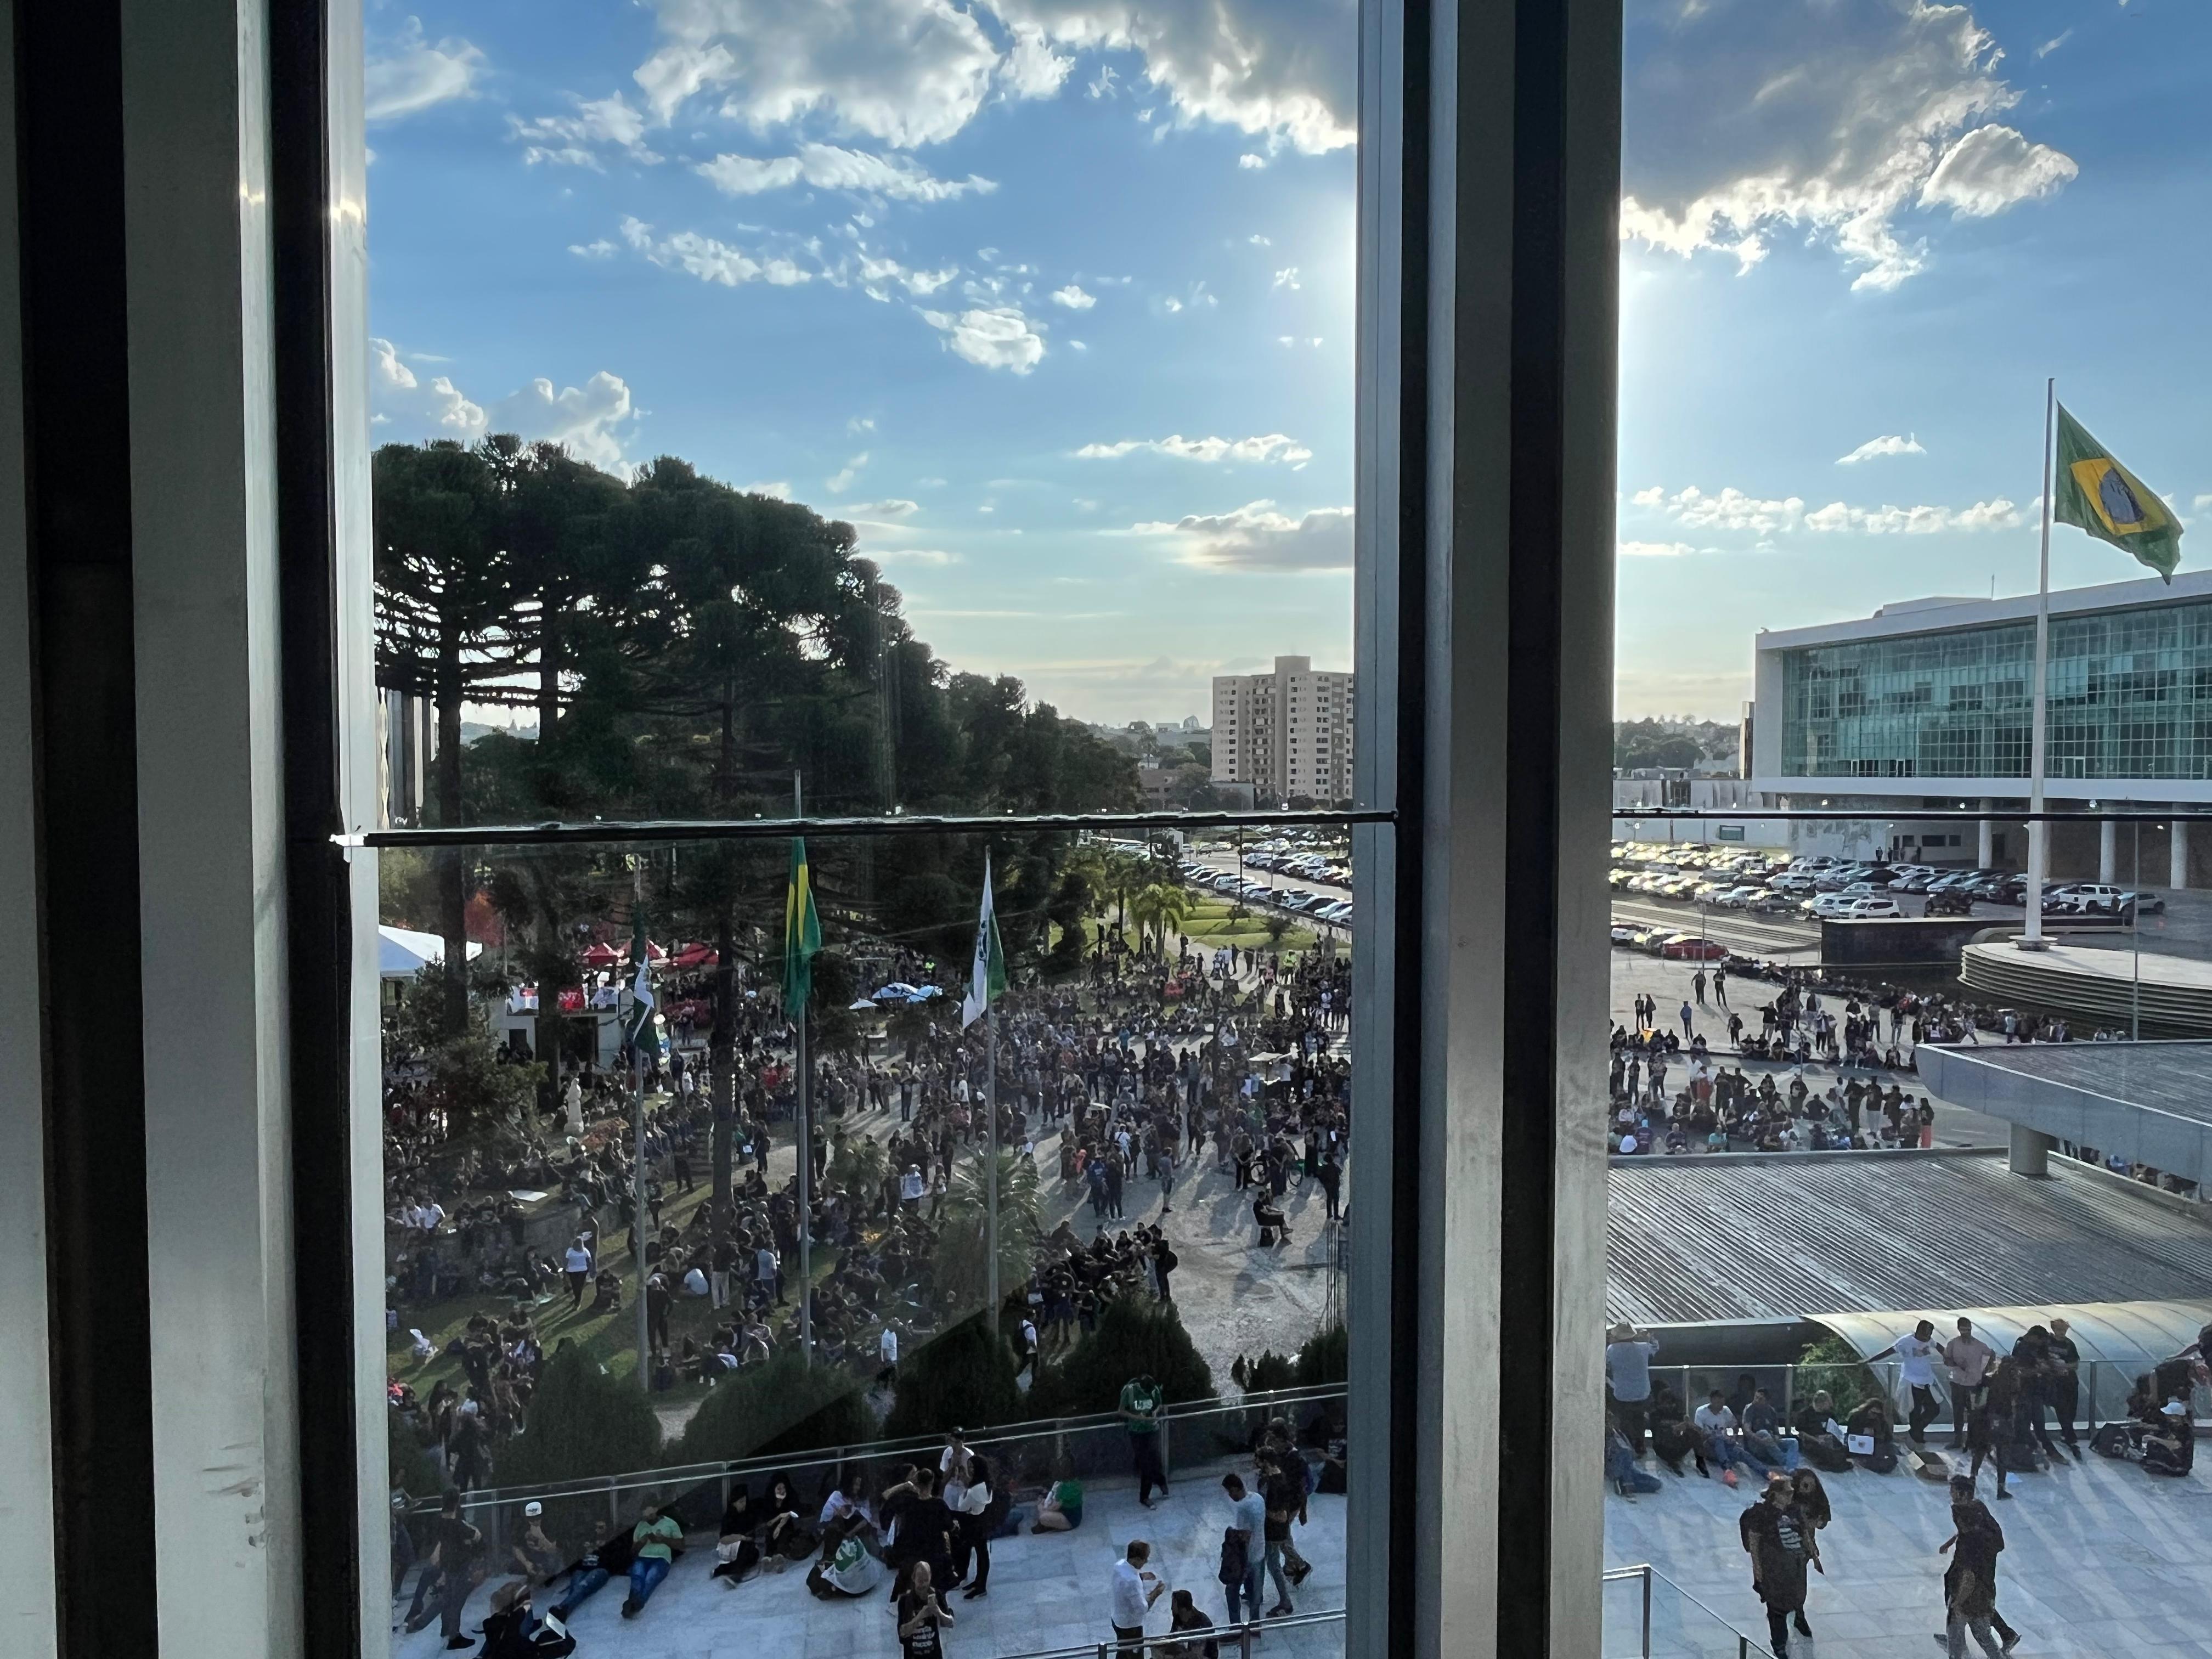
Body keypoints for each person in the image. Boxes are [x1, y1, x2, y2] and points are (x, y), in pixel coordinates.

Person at [1739, 1472, 1819, 1658]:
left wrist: (1813, 1554)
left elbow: (1804, 1532)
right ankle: (1779, 1645)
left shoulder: (1794, 1510)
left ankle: (1799, 1618)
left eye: (1791, 1493)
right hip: (1774, 1568)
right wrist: (1758, 1573)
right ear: (1775, 1494)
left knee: (1798, 1596)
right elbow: (1755, 1544)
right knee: (1777, 1609)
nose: (1790, 1496)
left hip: (1795, 1564)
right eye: (1786, 1493)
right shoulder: (1761, 1514)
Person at [403, 1489, 483, 1649]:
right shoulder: (458, 1525)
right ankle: (454, 1637)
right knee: (456, 1601)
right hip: (459, 1565)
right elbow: (476, 1536)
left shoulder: (439, 1521)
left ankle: (445, 1630)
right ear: (457, 1503)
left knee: (448, 1598)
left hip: (448, 1564)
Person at [1939, 1477, 2010, 1657]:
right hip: (1984, 1589)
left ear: (1963, 1494)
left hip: (1972, 1593)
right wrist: (1950, 1543)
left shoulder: (1971, 1540)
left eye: (1954, 1491)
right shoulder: (1976, 1511)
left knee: (1959, 1627)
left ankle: (1960, 1653)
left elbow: (1969, 1575)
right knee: (1982, 1633)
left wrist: (1958, 1601)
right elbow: (1967, 1532)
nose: (1951, 1494)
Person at [1869, 1319, 1944, 1444]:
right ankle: (1917, 1437)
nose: (1927, 1338)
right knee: (1915, 1409)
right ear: (1919, 1331)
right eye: (1926, 1334)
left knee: (1934, 1409)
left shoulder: (1929, 1341)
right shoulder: (1906, 1342)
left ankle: (1915, 1431)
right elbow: (1889, 1351)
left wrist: (1950, 1357)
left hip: (1926, 1381)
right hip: (1912, 1381)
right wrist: (1870, 1360)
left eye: (1930, 1335)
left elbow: (1939, 1347)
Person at [546, 1521, 634, 1623]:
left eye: (601, 1527)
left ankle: (561, 1608)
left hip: (600, 1570)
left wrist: (601, 1550)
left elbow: (617, 1561)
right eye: (596, 1527)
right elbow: (574, 1558)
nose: (598, 1530)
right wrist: (584, 1550)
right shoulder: (588, 1540)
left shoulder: (612, 1541)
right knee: (576, 1588)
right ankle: (563, 1612)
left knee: (583, 1585)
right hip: (583, 1568)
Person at [620, 1501, 683, 1618]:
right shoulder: (641, 1525)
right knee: (637, 1578)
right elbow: (633, 1552)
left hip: (661, 1559)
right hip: (642, 1558)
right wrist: (640, 1543)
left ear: (656, 1509)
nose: (648, 1518)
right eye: (646, 1516)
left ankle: (636, 1605)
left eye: (651, 1514)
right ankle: (632, 1602)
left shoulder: (670, 1523)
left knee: (651, 1578)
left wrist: (663, 1540)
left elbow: (681, 1546)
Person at [1941, 1317, 1996, 1452]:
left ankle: (1973, 1441)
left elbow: (1992, 1354)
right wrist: (1956, 1364)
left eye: (1968, 1329)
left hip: (1973, 1383)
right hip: (1958, 1382)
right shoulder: (1953, 1343)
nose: (1966, 1332)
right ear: (1959, 1329)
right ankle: (1958, 1440)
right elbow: (1946, 1360)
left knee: (1975, 1414)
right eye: (1963, 1329)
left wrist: (1986, 1370)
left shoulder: (1979, 1345)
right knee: (1958, 1413)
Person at [1605, 1323, 1659, 1457]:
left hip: (1621, 1393)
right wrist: (1650, 1337)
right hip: (1642, 1392)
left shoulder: (1612, 1349)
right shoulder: (1644, 1347)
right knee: (1639, 1418)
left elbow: (1607, 1366)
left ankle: (1628, 1445)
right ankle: (1640, 1445)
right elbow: (1655, 1348)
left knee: (1625, 1419)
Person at [1219, 1472, 1266, 1623]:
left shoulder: (1243, 1508)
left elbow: (1245, 1536)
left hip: (1247, 1557)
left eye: (1229, 1492)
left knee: (1232, 1592)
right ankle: (1255, 1624)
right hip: (1260, 1551)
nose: (1230, 1496)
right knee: (1255, 1590)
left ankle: (1235, 1627)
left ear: (1235, 1489)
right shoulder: (1258, 1498)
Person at [1111, 1539, 1167, 1659]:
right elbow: (1142, 1609)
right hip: (1130, 1627)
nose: (1146, 1561)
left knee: (1123, 1649)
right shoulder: (1133, 1582)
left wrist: (1141, 1575)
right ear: (1136, 1559)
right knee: (1134, 1656)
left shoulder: (1119, 1565)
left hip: (1117, 1618)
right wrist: (1156, 1592)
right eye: (1144, 1559)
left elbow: (1126, 1580)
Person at [1121, 1370, 1169, 1506]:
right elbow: (1122, 1410)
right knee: (1145, 1465)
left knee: (1155, 1460)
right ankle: (1145, 1497)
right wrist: (1138, 1417)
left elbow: (1159, 1404)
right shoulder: (1130, 1391)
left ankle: (1161, 1482)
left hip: (1151, 1430)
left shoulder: (1154, 1391)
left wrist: (1154, 1412)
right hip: (1136, 1432)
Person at [1693, 1389, 1751, 1487]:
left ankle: (1768, 1473)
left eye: (1722, 1402)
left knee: (1742, 1453)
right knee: (1718, 1438)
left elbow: (1735, 1426)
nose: (1720, 1405)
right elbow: (1698, 1433)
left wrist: (1734, 1437)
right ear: (1712, 1401)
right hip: (1709, 1446)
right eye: (1717, 1402)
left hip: (1726, 1444)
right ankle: (1728, 1472)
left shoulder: (1726, 1411)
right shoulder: (1701, 1412)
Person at [898, 1560, 955, 1658]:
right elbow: (902, 1634)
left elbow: (950, 1623)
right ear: (914, 1578)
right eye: (920, 1581)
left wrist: (939, 1612)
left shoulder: (937, 1595)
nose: (923, 1585)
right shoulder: (905, 1601)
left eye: (926, 1580)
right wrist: (920, 1616)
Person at [509, 1502, 563, 1582]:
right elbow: (516, 1547)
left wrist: (541, 1537)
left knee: (551, 1566)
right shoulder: (521, 1527)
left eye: (538, 1519)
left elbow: (554, 1551)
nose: (535, 1522)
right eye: (531, 1520)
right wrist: (526, 1563)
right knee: (512, 1568)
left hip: (546, 1556)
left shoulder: (549, 1525)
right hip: (529, 1555)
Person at [1163, 1588, 1220, 1659]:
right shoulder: (1178, 1619)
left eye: (1174, 1602)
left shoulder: (1202, 1622)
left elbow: (1198, 1652)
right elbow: (1173, 1640)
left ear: (1182, 1607)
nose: (1172, 1607)